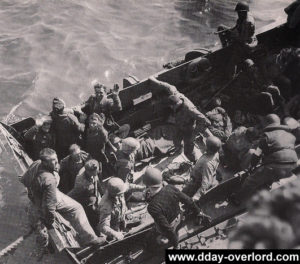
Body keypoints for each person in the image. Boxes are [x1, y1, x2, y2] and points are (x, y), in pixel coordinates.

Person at [21, 148, 104, 246]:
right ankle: (90, 239)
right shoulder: (49, 181)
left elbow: (24, 179)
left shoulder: (37, 163)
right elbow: (49, 206)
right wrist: (50, 222)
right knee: (76, 208)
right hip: (47, 197)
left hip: (37, 194)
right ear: (45, 163)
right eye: (53, 161)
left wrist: (33, 192)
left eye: (56, 159)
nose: (56, 162)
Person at [231, 114, 298, 203]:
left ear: (268, 123)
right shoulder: (288, 135)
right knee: (272, 174)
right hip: (292, 164)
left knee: (250, 181)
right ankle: (267, 185)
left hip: (275, 165)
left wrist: (252, 167)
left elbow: (257, 155)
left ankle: (237, 199)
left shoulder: (267, 136)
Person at [143, 167, 201, 248]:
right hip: (180, 218)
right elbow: (188, 200)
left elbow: (167, 228)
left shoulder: (152, 207)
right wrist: (198, 212)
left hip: (170, 227)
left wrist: (175, 245)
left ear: (147, 185)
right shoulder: (170, 188)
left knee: (149, 240)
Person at [166, 92, 211, 162]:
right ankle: (179, 150)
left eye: (172, 106)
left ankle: (194, 161)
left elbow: (205, 120)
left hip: (189, 131)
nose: (171, 108)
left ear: (176, 104)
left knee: (188, 151)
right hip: (180, 126)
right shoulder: (177, 102)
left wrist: (195, 132)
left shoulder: (189, 109)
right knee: (176, 140)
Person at [68, 159, 102, 230]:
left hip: (92, 191)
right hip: (82, 196)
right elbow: (79, 196)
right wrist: (93, 205)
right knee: (91, 211)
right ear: (88, 171)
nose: (97, 173)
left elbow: (97, 181)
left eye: (97, 170)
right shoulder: (81, 182)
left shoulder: (93, 168)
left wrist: (101, 194)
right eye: (94, 172)